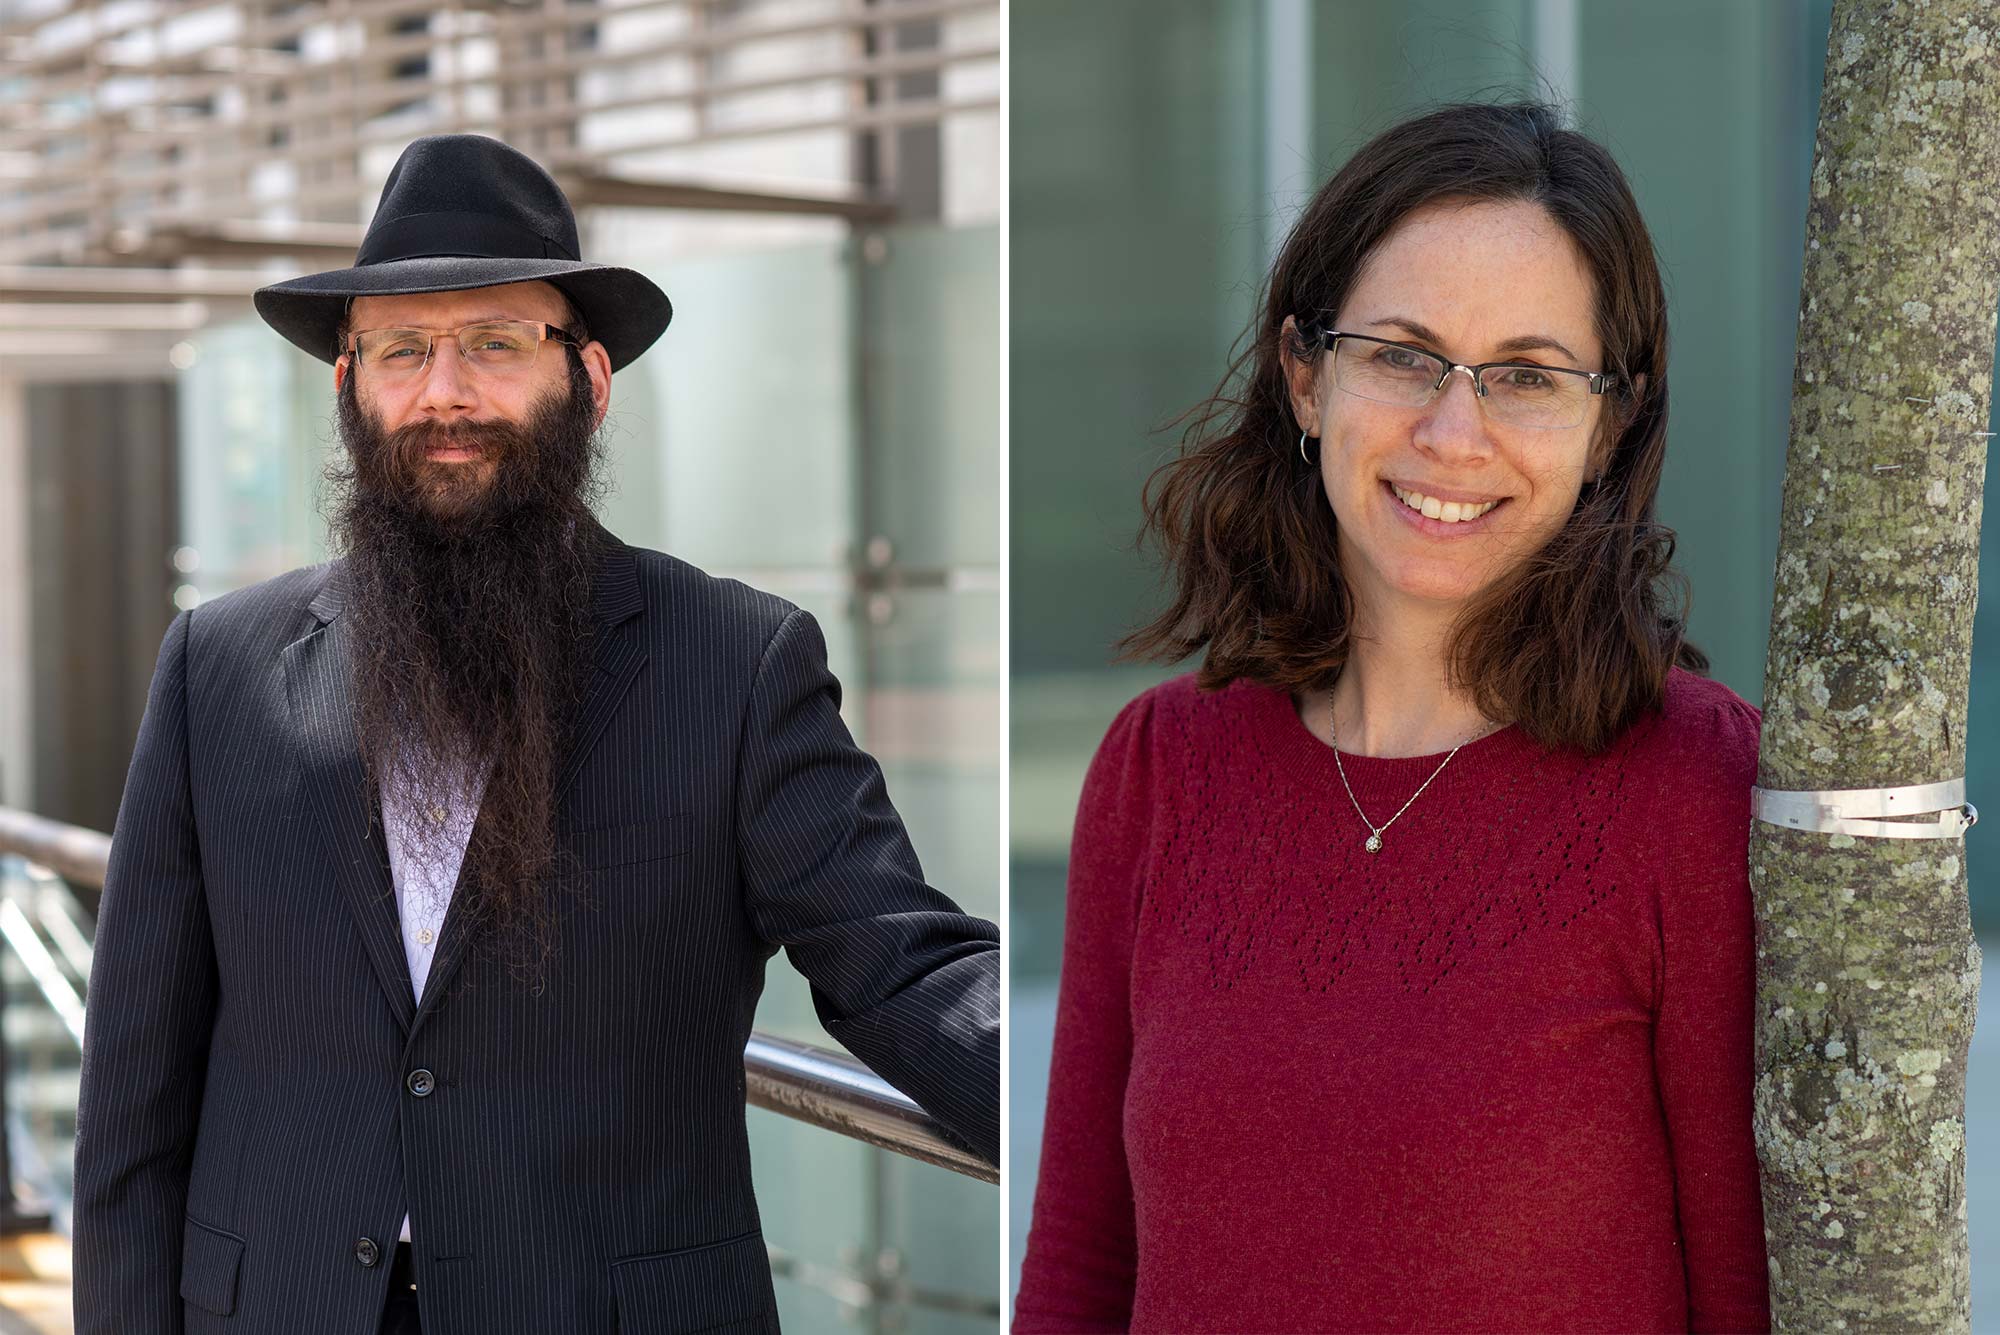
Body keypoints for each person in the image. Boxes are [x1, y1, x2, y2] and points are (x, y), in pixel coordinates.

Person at [72, 132, 1000, 1335]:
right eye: (401, 349)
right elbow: (135, 1085)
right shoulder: (219, 666)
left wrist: (1149, 1090)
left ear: (591, 381)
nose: (444, 391)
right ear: (348, 385)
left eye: (497, 344)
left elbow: (897, 963)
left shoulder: (734, 657)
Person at [1012, 101, 1769, 1333]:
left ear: (1607, 424)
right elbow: (1082, 1272)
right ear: (1305, 378)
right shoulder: (1160, 768)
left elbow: (1747, 1297)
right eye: (1402, 356)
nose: (1450, 433)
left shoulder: (1694, 786)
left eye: (1524, 376)